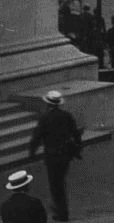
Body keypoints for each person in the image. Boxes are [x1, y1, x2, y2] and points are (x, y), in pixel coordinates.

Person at [28, 90, 81, 222]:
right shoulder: (66, 116)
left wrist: (32, 152)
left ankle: (62, 212)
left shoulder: (44, 118)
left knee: (55, 184)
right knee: (60, 181)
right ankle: (60, 209)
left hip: (51, 155)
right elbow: (75, 133)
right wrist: (78, 147)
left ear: (48, 103)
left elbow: (37, 137)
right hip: (65, 153)